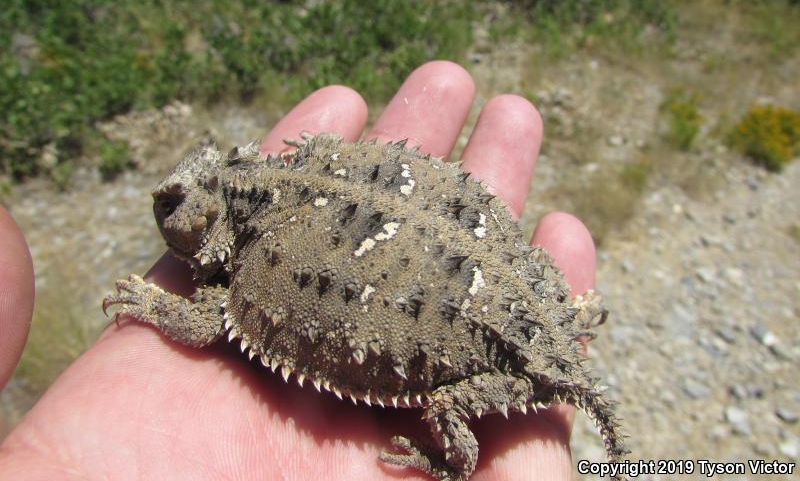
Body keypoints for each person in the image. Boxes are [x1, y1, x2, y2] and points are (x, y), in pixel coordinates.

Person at [0, 61, 597, 479]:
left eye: (175, 207)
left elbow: (206, 322)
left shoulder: (252, 260)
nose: (167, 208)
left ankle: (456, 463)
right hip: (533, 299)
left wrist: (158, 306)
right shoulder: (311, 160)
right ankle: (566, 318)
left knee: (445, 410)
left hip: (497, 339)